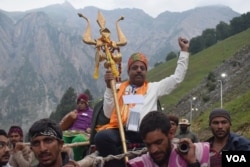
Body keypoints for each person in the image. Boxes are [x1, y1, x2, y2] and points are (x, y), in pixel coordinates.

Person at [94, 37, 190, 167]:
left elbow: (177, 79)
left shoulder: (153, 88)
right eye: (134, 68)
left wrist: (184, 52)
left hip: (145, 131)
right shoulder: (118, 88)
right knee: (101, 137)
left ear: (145, 72)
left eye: (142, 68)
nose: (139, 70)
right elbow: (107, 113)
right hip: (121, 130)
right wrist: (108, 88)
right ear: (129, 71)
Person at [127, 111, 210, 167]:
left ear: (170, 134)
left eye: (158, 142)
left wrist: (193, 163)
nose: (153, 150)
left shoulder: (200, 152)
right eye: (148, 145)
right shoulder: (138, 164)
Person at [60, 93, 93, 161]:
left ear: (86, 103)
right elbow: (63, 122)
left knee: (78, 140)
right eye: (78, 103)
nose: (80, 104)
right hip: (71, 132)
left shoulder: (92, 113)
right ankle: (62, 160)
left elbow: (95, 124)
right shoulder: (74, 113)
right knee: (61, 139)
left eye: (82, 103)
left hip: (83, 133)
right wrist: (69, 117)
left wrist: (90, 129)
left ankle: (75, 160)